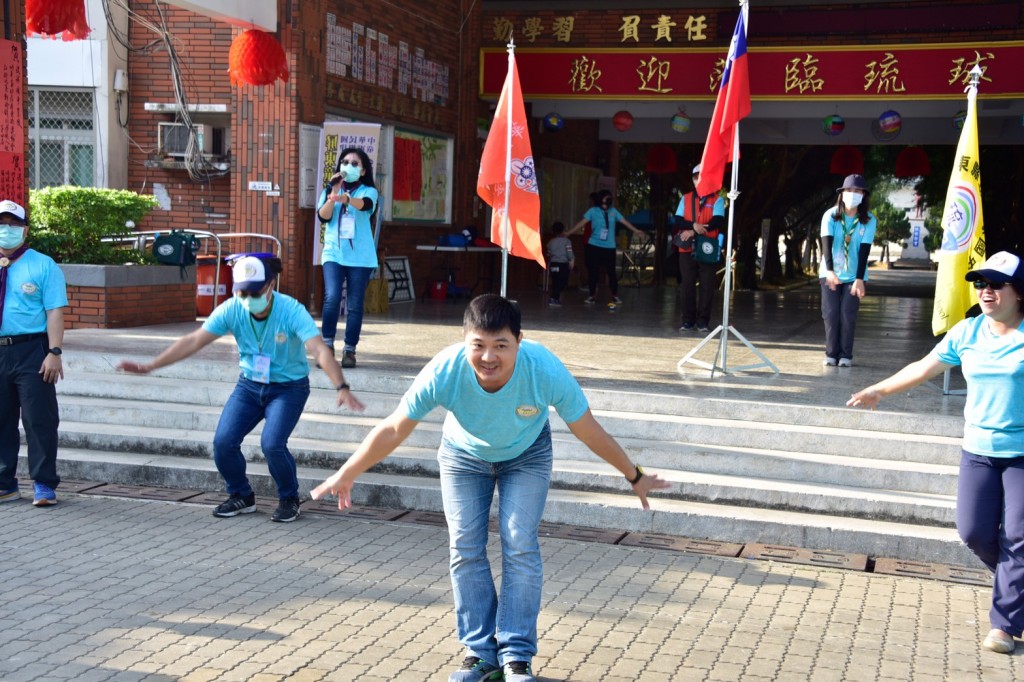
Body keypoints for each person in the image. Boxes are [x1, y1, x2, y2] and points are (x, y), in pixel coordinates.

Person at [311, 294, 669, 682]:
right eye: (478, 345)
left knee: (520, 542)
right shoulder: (445, 369)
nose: (488, 357)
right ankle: (480, 653)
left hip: (527, 454)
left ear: (519, 341)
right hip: (463, 456)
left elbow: (587, 429)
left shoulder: (543, 368)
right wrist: (348, 471)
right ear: (464, 340)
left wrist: (634, 475)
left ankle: (516, 655)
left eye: (501, 345)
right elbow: (396, 427)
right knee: (465, 545)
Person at [847, 250, 1024, 655]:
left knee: (1018, 536)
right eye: (980, 283)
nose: (986, 291)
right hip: (978, 450)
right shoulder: (968, 332)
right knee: (974, 532)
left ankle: (1004, 624)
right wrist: (879, 390)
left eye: (996, 284)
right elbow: (924, 366)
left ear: (1019, 292)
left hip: (1022, 454)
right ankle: (1016, 584)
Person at [117, 254, 364, 523]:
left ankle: (289, 498)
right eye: (241, 292)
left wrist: (341, 385)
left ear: (270, 285)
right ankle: (241, 495)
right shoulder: (233, 308)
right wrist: (151, 365)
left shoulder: (291, 310)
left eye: (253, 292)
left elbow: (319, 349)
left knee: (272, 444)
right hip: (249, 386)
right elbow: (193, 340)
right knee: (223, 443)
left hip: (288, 388)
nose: (247, 299)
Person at [0, 199, 67, 507]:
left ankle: (43, 483)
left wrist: (54, 351)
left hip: (32, 350)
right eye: (2, 225)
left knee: (39, 418)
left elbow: (54, 311)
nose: (7, 231)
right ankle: (5, 483)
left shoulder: (42, 265)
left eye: (13, 225)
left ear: (25, 230)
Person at [316, 147, 380, 369]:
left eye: (354, 164)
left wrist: (346, 198)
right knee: (332, 297)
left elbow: (365, 206)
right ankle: (326, 346)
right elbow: (323, 217)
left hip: (360, 257)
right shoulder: (330, 189)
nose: (348, 167)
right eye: (345, 162)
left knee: (354, 305)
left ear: (363, 170)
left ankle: (350, 350)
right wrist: (333, 195)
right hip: (333, 253)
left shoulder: (369, 191)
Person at [819, 174, 876, 367]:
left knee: (847, 314)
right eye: (849, 190)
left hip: (855, 275)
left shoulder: (868, 220)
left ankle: (845, 355)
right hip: (830, 272)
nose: (853, 194)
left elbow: (864, 251)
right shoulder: (830, 215)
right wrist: (830, 271)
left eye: (858, 191)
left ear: (863, 196)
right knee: (831, 313)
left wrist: (859, 278)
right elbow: (826, 244)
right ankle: (831, 353)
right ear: (842, 194)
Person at [568, 190, 645, 308]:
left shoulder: (613, 211)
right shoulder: (593, 211)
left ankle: (615, 295)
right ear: (600, 199)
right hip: (593, 245)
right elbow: (581, 223)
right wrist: (568, 233)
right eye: (604, 199)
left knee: (611, 272)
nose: (606, 201)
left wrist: (636, 231)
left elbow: (624, 222)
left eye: (608, 199)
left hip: (609, 247)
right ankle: (592, 295)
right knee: (593, 272)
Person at [673, 163, 725, 333]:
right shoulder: (685, 198)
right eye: (696, 177)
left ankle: (703, 321)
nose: (699, 180)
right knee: (687, 285)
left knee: (707, 284)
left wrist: (694, 230)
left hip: (707, 248)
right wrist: (693, 226)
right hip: (687, 249)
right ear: (693, 180)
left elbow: (718, 221)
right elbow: (678, 220)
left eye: (702, 177)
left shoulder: (717, 199)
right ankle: (687, 320)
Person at [545, 221, 574, 307]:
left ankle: (555, 298)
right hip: (563, 265)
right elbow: (569, 253)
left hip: (553, 264)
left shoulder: (550, 242)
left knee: (555, 281)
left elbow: (548, 254)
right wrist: (571, 260)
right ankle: (554, 298)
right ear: (563, 230)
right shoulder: (567, 241)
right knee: (562, 282)